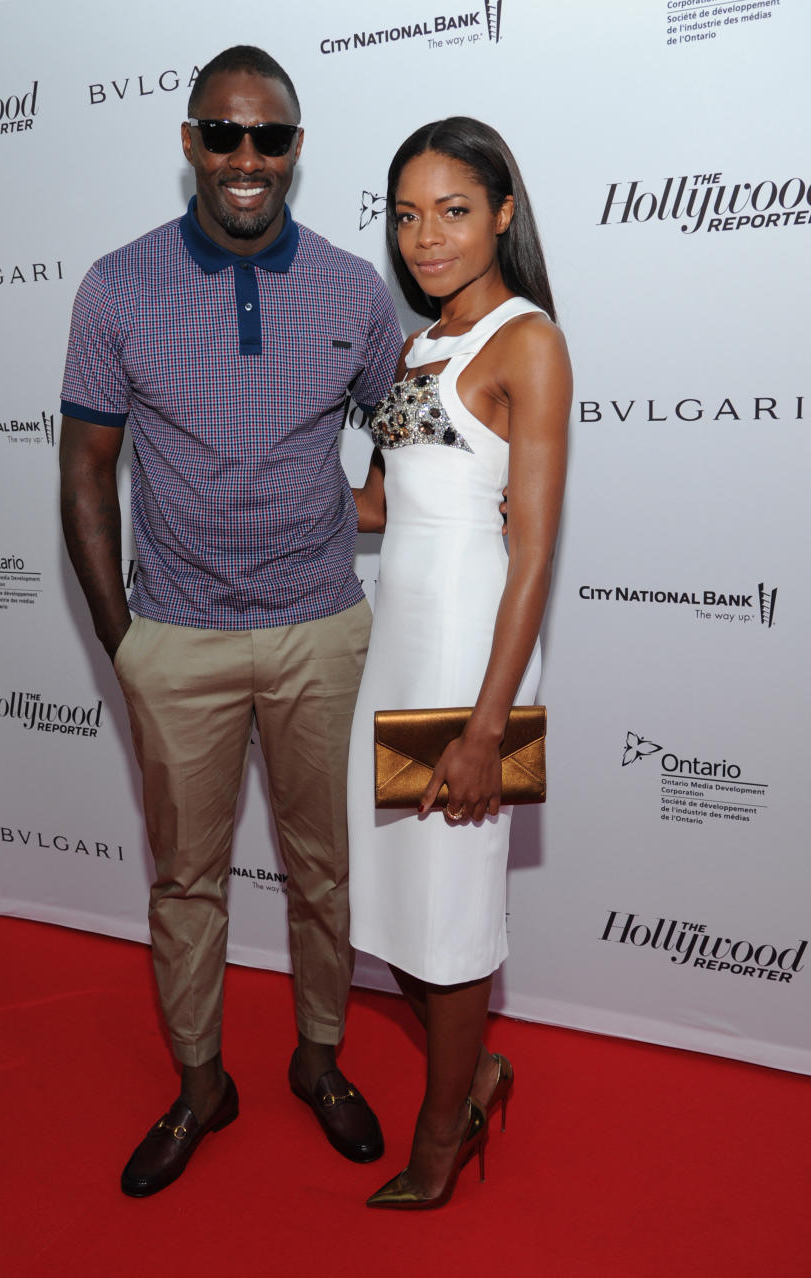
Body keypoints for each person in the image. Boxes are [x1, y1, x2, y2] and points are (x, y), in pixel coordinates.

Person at [58, 45, 403, 1197]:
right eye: (222, 134)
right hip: (180, 639)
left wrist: (357, 505)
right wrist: (127, 643)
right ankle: (202, 1083)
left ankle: (318, 1059)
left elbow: (408, 436)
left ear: (296, 149)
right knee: (186, 881)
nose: (244, 158)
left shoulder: (357, 287)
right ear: (191, 143)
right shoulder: (117, 287)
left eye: (268, 138)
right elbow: (84, 474)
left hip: (320, 628)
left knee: (322, 868)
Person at [348, 117, 572, 1209]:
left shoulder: (528, 341)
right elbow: (380, 508)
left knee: (452, 905)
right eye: (405, 215)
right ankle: (475, 1070)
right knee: (395, 899)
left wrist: (490, 726)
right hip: (399, 643)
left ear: (502, 215)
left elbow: (532, 552)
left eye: (451, 211)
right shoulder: (414, 345)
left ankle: (443, 1133)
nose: (424, 237)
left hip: (474, 654)